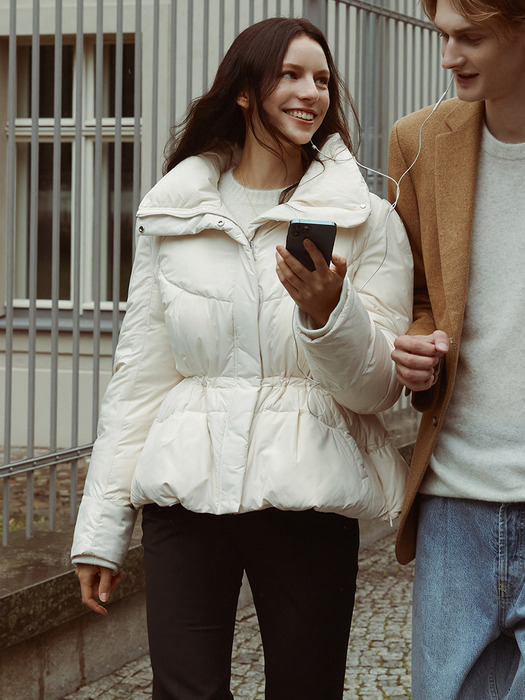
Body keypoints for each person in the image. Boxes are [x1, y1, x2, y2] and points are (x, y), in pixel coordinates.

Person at [72, 16, 412, 700]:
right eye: (289, 74)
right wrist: (100, 532)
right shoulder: (174, 212)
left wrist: (327, 312)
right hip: (184, 492)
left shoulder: (365, 219)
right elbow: (139, 378)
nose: (309, 92)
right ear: (244, 91)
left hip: (306, 495)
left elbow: (379, 390)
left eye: (320, 78)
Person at [388, 0, 525, 697]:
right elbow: (411, 293)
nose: (447, 57)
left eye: (470, 38)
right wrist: (414, 344)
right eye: (443, 36)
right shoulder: (416, 143)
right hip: (452, 501)